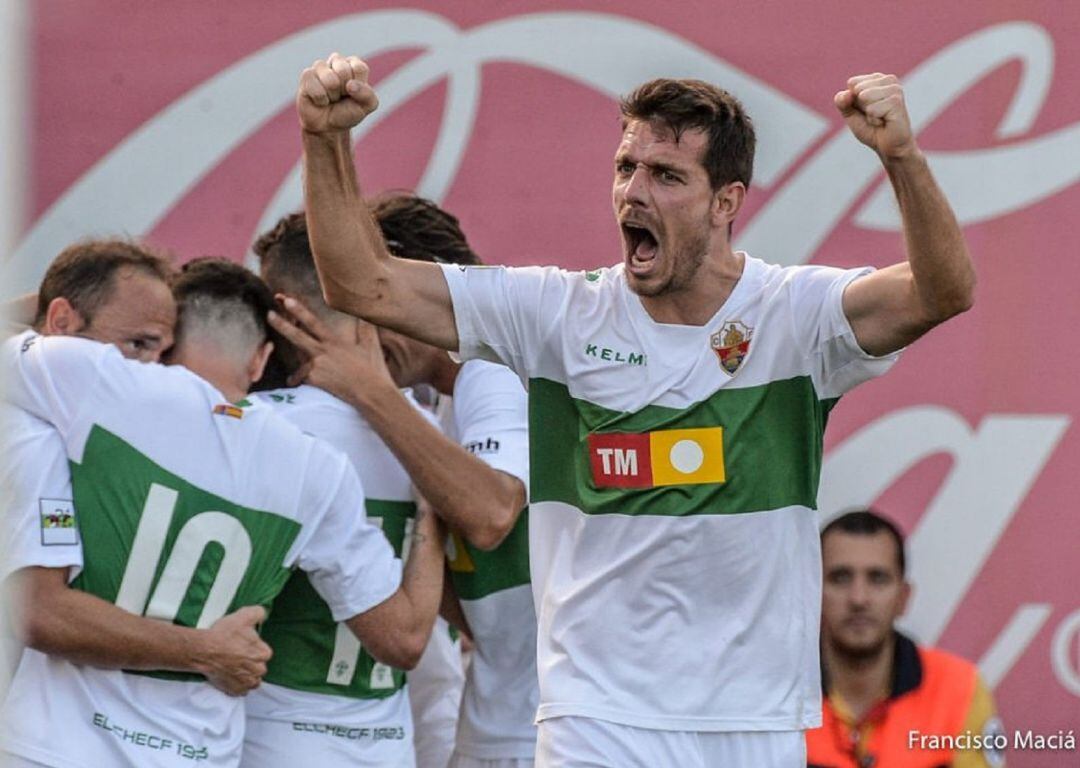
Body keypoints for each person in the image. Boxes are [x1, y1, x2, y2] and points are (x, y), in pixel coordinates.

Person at [295, 53, 975, 767]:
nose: (634, 192)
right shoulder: (558, 314)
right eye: (627, 168)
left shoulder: (795, 317)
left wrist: (901, 157)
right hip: (596, 720)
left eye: (667, 175)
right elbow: (361, 284)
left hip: (754, 723)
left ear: (726, 202)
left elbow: (943, 291)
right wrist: (323, 138)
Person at [0, 257, 445, 768]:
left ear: (168, 343)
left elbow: (38, 611)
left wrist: (69, 296)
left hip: (58, 747)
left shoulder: (96, 386)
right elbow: (404, 638)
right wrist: (432, 511)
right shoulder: (317, 468)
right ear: (259, 361)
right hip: (201, 754)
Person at [264, 202, 535, 768]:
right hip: (506, 716)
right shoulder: (432, 406)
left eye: (370, 299)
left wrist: (370, 391)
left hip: (542, 731)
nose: (358, 329)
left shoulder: (494, 367)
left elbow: (491, 512)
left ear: (420, 285)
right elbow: (483, 602)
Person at [1, 241, 271, 705]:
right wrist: (206, 651)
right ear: (62, 322)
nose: (155, 371)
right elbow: (39, 610)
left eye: (163, 353)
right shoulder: (35, 440)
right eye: (137, 345)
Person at [242, 213, 450, 768]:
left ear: (281, 312)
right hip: (389, 744)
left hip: (272, 739)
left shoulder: (253, 428)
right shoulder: (431, 438)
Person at [807, 510, 1005, 768]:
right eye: (841, 578)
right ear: (812, 592)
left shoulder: (960, 688)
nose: (858, 598)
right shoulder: (770, 690)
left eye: (877, 579)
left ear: (903, 597)